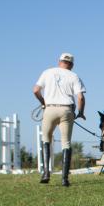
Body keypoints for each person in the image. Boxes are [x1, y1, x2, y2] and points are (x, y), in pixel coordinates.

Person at [33, 52, 86, 187]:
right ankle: (64, 179)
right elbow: (80, 97)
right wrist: (80, 112)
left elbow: (35, 90)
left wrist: (43, 102)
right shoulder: (74, 76)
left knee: (46, 138)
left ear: (59, 61)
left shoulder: (47, 72)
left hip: (50, 108)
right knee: (66, 143)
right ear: (72, 65)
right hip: (66, 109)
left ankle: (46, 173)